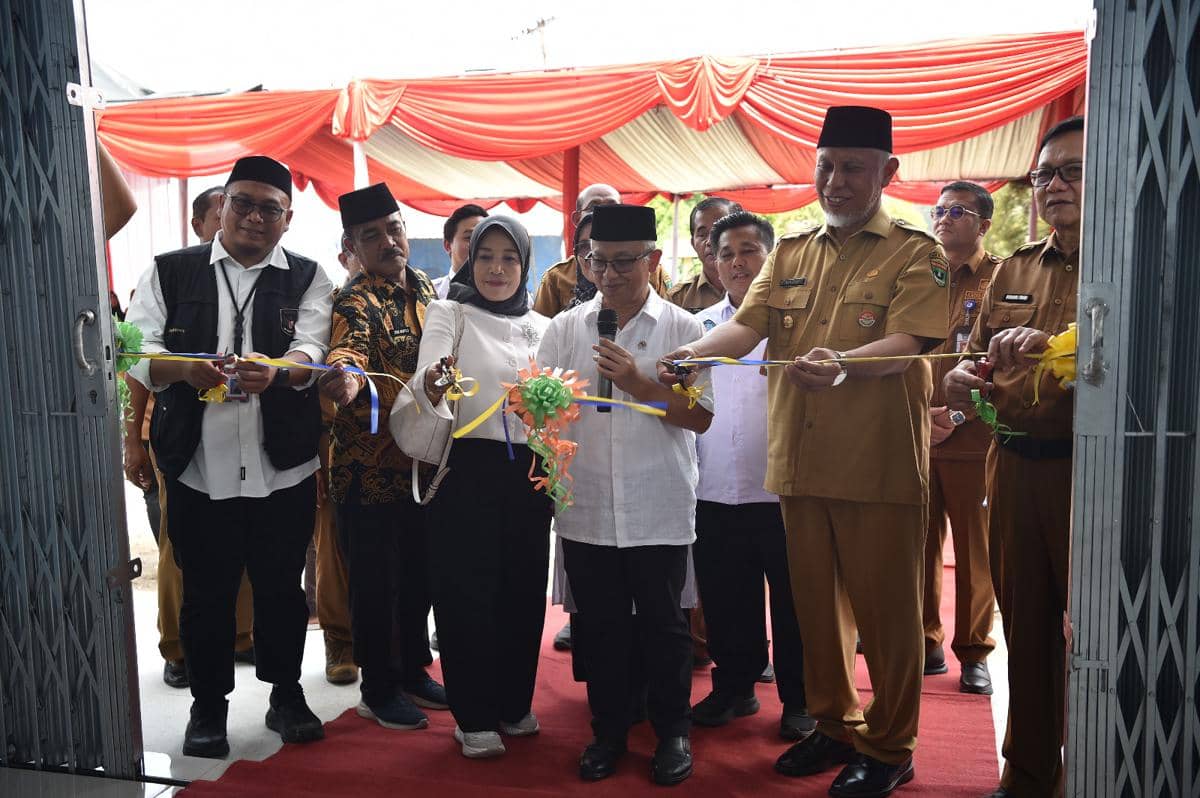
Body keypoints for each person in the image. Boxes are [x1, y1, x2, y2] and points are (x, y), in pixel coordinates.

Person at [660, 106, 949, 798]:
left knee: (886, 616)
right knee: (813, 610)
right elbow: (745, 326)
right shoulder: (790, 252)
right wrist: (690, 356)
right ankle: (834, 724)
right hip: (799, 463)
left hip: (876, 465)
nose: (836, 181)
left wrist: (847, 362)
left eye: (852, 167)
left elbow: (909, 344)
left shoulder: (916, 252)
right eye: (826, 166)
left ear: (887, 173)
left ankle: (889, 746)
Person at [126, 155, 333, 757]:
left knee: (281, 590)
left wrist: (279, 372)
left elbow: (311, 350)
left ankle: (286, 695)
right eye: (242, 202)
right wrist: (191, 371)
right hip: (197, 463)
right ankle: (208, 707)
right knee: (207, 593)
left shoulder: (309, 276)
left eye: (270, 208)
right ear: (221, 206)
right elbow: (139, 353)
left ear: (287, 219)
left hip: (283, 465)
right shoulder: (170, 271)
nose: (254, 217)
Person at [539, 203, 714, 787]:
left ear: (654, 260)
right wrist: (540, 406)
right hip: (586, 504)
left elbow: (700, 418)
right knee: (602, 627)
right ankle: (609, 732)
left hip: (657, 501)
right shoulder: (566, 329)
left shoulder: (685, 331)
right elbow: (540, 410)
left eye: (623, 263)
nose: (608, 276)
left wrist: (639, 381)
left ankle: (673, 734)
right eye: (597, 262)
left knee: (666, 627)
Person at [944, 116, 1085, 798]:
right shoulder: (1015, 267)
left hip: (1094, 477)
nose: (1054, 186)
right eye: (1044, 175)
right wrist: (960, 381)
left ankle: (1104, 767)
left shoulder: (1132, 264)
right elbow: (969, 361)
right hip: (1013, 464)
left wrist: (1058, 345)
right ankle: (1029, 773)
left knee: (1094, 632)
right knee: (1024, 624)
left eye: (1072, 172)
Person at [392, 216, 552, 759]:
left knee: (524, 589)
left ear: (524, 264)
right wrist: (435, 381)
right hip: (466, 468)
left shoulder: (543, 324)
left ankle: (513, 702)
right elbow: (426, 378)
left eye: (510, 258)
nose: (497, 268)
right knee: (467, 592)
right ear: (469, 260)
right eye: (486, 256)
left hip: (530, 472)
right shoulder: (449, 312)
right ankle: (474, 715)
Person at [318, 183, 447, 732]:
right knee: (376, 583)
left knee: (419, 576)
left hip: (421, 466)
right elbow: (348, 351)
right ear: (351, 246)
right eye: (372, 235)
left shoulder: (425, 287)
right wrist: (343, 378)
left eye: (394, 228)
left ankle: (414, 668)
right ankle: (378, 687)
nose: (389, 240)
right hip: (367, 471)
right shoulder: (354, 300)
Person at [125, 189, 258, 691]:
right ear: (204, 219)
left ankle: (240, 637)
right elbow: (136, 368)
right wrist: (133, 440)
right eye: (226, 209)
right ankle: (178, 646)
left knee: (241, 545)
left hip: (244, 438)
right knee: (180, 549)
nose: (240, 219)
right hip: (177, 438)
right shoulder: (170, 276)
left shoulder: (260, 281)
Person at [689, 210, 811, 739]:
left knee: (795, 603)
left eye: (748, 251)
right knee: (724, 596)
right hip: (714, 486)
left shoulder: (800, 324)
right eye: (726, 254)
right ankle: (734, 688)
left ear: (771, 256)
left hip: (784, 489)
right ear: (713, 264)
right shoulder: (697, 329)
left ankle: (801, 701)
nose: (737, 263)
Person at [923, 181, 1001, 694]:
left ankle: (974, 651)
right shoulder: (918, 274)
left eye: (958, 211)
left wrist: (953, 413)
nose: (945, 218)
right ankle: (925, 639)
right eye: (939, 210)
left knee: (976, 550)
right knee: (916, 543)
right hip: (915, 431)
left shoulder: (1002, 275)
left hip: (973, 436)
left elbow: (1003, 362)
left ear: (984, 223)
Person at [314, 238, 361, 685]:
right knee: (334, 546)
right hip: (332, 443)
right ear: (345, 254)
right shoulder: (324, 306)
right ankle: (339, 640)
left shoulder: (414, 298)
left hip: (394, 448)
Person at [532, 183, 670, 318]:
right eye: (594, 207)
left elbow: (668, 318)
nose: (603, 213)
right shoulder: (556, 278)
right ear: (577, 218)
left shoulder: (651, 270)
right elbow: (540, 327)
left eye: (612, 206)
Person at [667, 196, 742, 313]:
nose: (710, 241)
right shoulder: (677, 299)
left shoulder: (763, 293)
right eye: (702, 234)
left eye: (720, 232)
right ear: (693, 243)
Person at [432, 204, 488, 299]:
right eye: (469, 237)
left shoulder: (504, 295)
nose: (480, 245)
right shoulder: (430, 294)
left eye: (484, 238)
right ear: (448, 246)